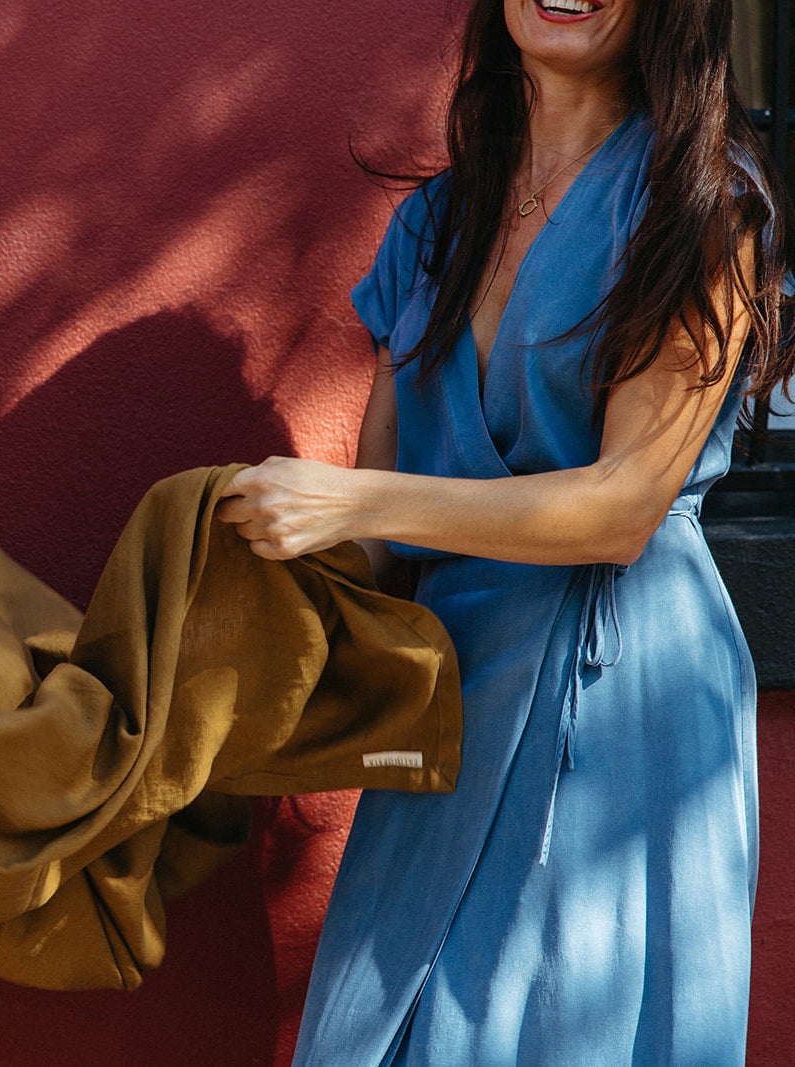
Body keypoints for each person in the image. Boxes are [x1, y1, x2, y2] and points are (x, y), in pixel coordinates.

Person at [215, 0, 794, 1061]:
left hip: (628, 696)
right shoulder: (437, 221)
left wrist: (351, 502)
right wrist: (210, 592)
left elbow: (621, 505)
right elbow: (379, 533)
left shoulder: (703, 207)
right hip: (452, 686)